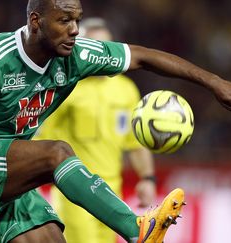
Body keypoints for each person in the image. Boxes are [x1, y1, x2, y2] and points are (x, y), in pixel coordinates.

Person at [0, 0, 231, 242]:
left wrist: (214, 82)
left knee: (51, 237)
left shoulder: (77, 56)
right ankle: (138, 229)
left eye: (77, 20)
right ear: (35, 21)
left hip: (9, 173)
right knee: (57, 152)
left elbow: (142, 56)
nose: (74, 30)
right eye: (64, 20)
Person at [35, 17, 156, 243]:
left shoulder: (126, 89)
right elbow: (40, 137)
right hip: (75, 194)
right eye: (96, 48)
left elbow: (135, 141)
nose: (103, 55)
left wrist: (147, 178)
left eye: (107, 48)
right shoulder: (65, 86)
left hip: (112, 196)